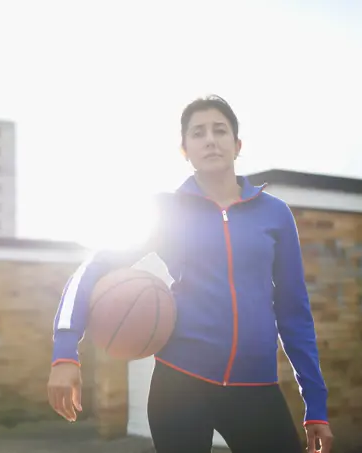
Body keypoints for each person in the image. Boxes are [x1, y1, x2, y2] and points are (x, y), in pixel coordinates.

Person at [47, 95, 334, 453]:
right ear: (185, 149)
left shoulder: (275, 215)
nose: (210, 139)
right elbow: (92, 268)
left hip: (255, 386)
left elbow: (294, 312)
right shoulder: (166, 212)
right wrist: (64, 352)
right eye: (198, 133)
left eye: (220, 130)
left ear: (237, 144)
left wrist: (316, 406)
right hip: (180, 383)